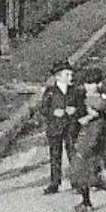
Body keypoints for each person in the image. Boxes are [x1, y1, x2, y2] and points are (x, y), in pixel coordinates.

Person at [69, 67, 106, 211]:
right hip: (82, 134)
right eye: (87, 84)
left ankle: (92, 194)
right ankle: (89, 196)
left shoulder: (102, 98)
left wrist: (91, 116)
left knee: (85, 164)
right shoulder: (80, 97)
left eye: (93, 84)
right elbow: (75, 114)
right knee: (84, 166)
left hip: (94, 135)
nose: (90, 87)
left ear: (99, 84)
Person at [39, 62, 80, 195]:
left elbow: (83, 107)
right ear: (58, 76)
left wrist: (75, 110)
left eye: (71, 74)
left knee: (73, 154)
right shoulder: (50, 92)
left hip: (71, 127)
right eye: (67, 74)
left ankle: (76, 182)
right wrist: (53, 112)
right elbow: (43, 109)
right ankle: (54, 183)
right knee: (55, 156)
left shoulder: (75, 91)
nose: (70, 77)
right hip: (55, 128)